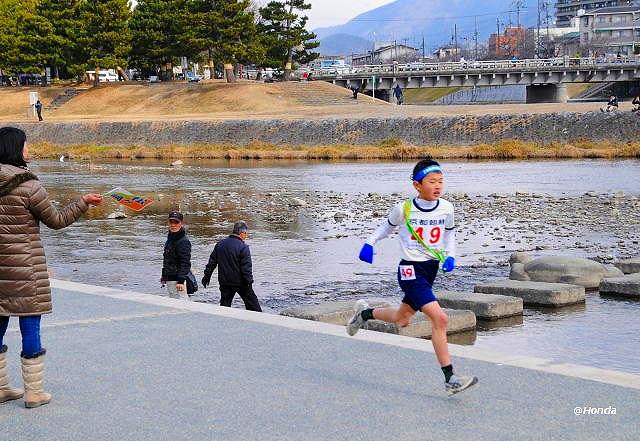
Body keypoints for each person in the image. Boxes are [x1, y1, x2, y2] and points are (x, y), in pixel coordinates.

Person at [348, 158, 477, 396]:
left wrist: (450, 256)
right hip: (410, 270)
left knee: (402, 319)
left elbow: (449, 236)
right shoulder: (404, 208)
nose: (438, 186)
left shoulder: (447, 208)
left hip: (431, 269)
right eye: (432, 182)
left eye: (441, 181)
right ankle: (450, 379)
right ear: (417, 185)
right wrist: (369, 243)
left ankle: (363, 314)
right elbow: (385, 228)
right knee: (440, 319)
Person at [0, 126, 103, 408]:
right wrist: (82, 202)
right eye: (25, 145)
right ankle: (33, 393)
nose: (28, 149)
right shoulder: (29, 187)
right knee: (30, 326)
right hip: (26, 270)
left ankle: (1, 388)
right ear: (15, 149)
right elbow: (56, 220)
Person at [201, 221, 262, 312]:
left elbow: (211, 263)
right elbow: (246, 269)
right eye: (246, 234)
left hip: (224, 282)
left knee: (225, 307)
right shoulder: (243, 247)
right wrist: (249, 282)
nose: (246, 236)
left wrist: (206, 277)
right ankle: (258, 323)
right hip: (241, 283)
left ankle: (223, 323)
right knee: (253, 306)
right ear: (242, 233)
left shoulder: (220, 244)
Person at [161, 211, 192, 301]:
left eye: (176, 222)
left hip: (178, 280)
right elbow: (167, 258)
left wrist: (181, 281)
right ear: (168, 223)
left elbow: (185, 262)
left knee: (182, 302)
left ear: (181, 224)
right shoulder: (170, 238)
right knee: (173, 301)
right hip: (170, 277)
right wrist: (164, 275)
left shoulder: (183, 241)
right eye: (171, 222)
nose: (173, 225)